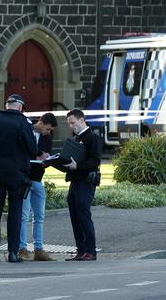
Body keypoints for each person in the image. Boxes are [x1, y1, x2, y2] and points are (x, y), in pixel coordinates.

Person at [0, 94, 39, 263]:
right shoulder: (24, 122)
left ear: (7, 105)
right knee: (15, 213)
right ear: (20, 107)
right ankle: (12, 253)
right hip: (17, 174)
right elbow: (33, 149)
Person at [62, 108, 101, 261]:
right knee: (75, 217)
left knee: (84, 216)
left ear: (81, 120)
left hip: (86, 182)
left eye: (73, 123)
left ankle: (90, 251)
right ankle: (81, 250)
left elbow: (95, 160)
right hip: (75, 181)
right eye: (69, 124)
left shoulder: (93, 138)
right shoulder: (76, 138)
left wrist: (77, 166)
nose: (71, 126)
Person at [18, 112, 58, 261]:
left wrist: (46, 160)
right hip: (25, 178)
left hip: (37, 178)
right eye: (47, 129)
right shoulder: (26, 129)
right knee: (24, 215)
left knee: (39, 216)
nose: (49, 132)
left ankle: (39, 249)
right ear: (41, 123)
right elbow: (23, 152)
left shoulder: (47, 137)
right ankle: (22, 248)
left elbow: (45, 154)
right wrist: (37, 156)